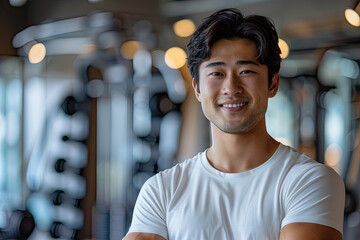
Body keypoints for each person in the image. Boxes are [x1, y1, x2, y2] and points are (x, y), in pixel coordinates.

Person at [123, 8, 345, 240]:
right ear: (198, 89)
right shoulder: (162, 190)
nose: (231, 87)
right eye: (217, 73)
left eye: (246, 71)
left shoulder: (308, 181)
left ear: (273, 84)